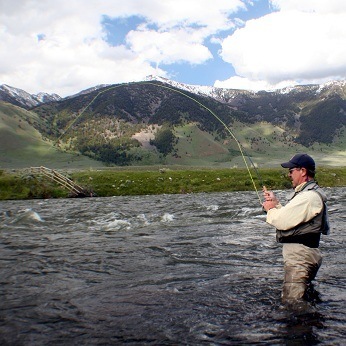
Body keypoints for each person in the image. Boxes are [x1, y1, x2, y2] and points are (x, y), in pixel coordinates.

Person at [262, 153, 329, 304]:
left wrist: (270, 209)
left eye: (291, 170)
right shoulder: (308, 195)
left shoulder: (308, 197)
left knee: (293, 305)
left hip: (300, 259)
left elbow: (282, 221)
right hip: (303, 255)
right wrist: (276, 203)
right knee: (304, 300)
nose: (289, 174)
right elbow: (293, 218)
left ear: (303, 171)